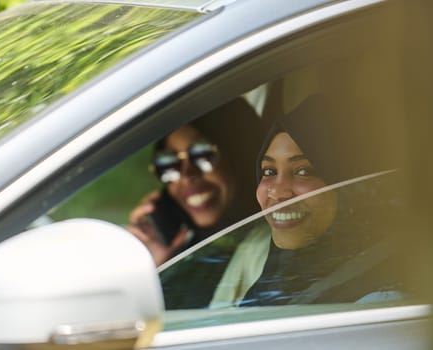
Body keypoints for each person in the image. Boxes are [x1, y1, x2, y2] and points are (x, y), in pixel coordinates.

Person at [214, 94, 408, 307]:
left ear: (352, 188)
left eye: (303, 171)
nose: (277, 192)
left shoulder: (381, 303)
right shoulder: (281, 283)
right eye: (269, 171)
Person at [128, 97, 265, 267]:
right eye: (168, 163)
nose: (186, 175)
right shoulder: (193, 259)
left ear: (240, 152)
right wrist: (159, 264)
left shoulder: (274, 244)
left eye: (202, 154)